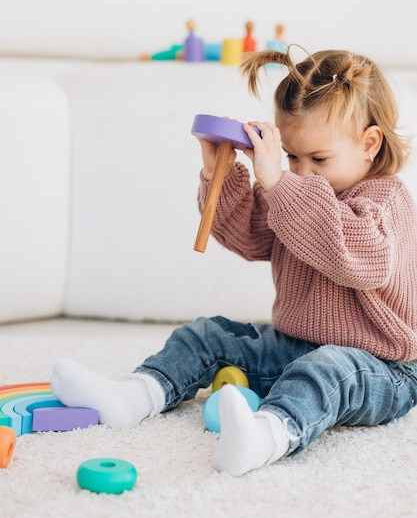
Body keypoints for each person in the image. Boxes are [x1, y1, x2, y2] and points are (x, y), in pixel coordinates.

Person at [51, 47, 417, 477]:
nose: (301, 172)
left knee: (326, 369)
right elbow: (251, 235)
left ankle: (269, 434)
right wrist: (218, 175)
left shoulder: (384, 201)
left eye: (318, 159)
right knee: (207, 336)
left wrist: (280, 183)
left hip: (379, 368)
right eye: (291, 158)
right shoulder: (296, 194)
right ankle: (135, 395)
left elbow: (358, 257)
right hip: (294, 346)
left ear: (369, 143)